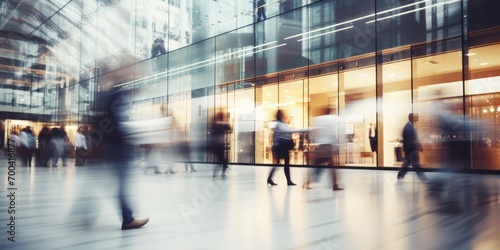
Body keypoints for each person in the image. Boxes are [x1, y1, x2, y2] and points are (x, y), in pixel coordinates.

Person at [302, 107, 343, 190]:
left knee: (317, 166)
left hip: (321, 146)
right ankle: (335, 185)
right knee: (332, 167)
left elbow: (316, 132)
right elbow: (333, 134)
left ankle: (307, 182)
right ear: (330, 112)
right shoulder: (331, 119)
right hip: (328, 146)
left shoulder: (318, 119)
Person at [267, 110, 307, 186]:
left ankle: (271, 179)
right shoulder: (279, 124)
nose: (284, 116)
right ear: (281, 116)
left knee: (280, 164)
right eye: (283, 115)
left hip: (281, 146)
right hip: (281, 147)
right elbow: (288, 131)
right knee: (284, 164)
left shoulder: (280, 124)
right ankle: (287, 181)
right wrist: (304, 130)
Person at [397, 113, 428, 182]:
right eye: (415, 117)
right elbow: (409, 140)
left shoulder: (410, 126)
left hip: (411, 150)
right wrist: (418, 146)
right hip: (410, 150)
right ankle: (424, 179)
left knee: (408, 164)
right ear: (411, 118)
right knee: (416, 166)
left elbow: (412, 139)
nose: (417, 118)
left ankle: (400, 176)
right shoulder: (408, 127)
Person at [209, 111, 232, 179]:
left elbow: (229, 129)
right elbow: (230, 128)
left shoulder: (215, 125)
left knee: (221, 160)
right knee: (223, 161)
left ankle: (217, 174)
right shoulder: (221, 125)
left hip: (217, 146)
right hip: (218, 145)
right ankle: (221, 174)